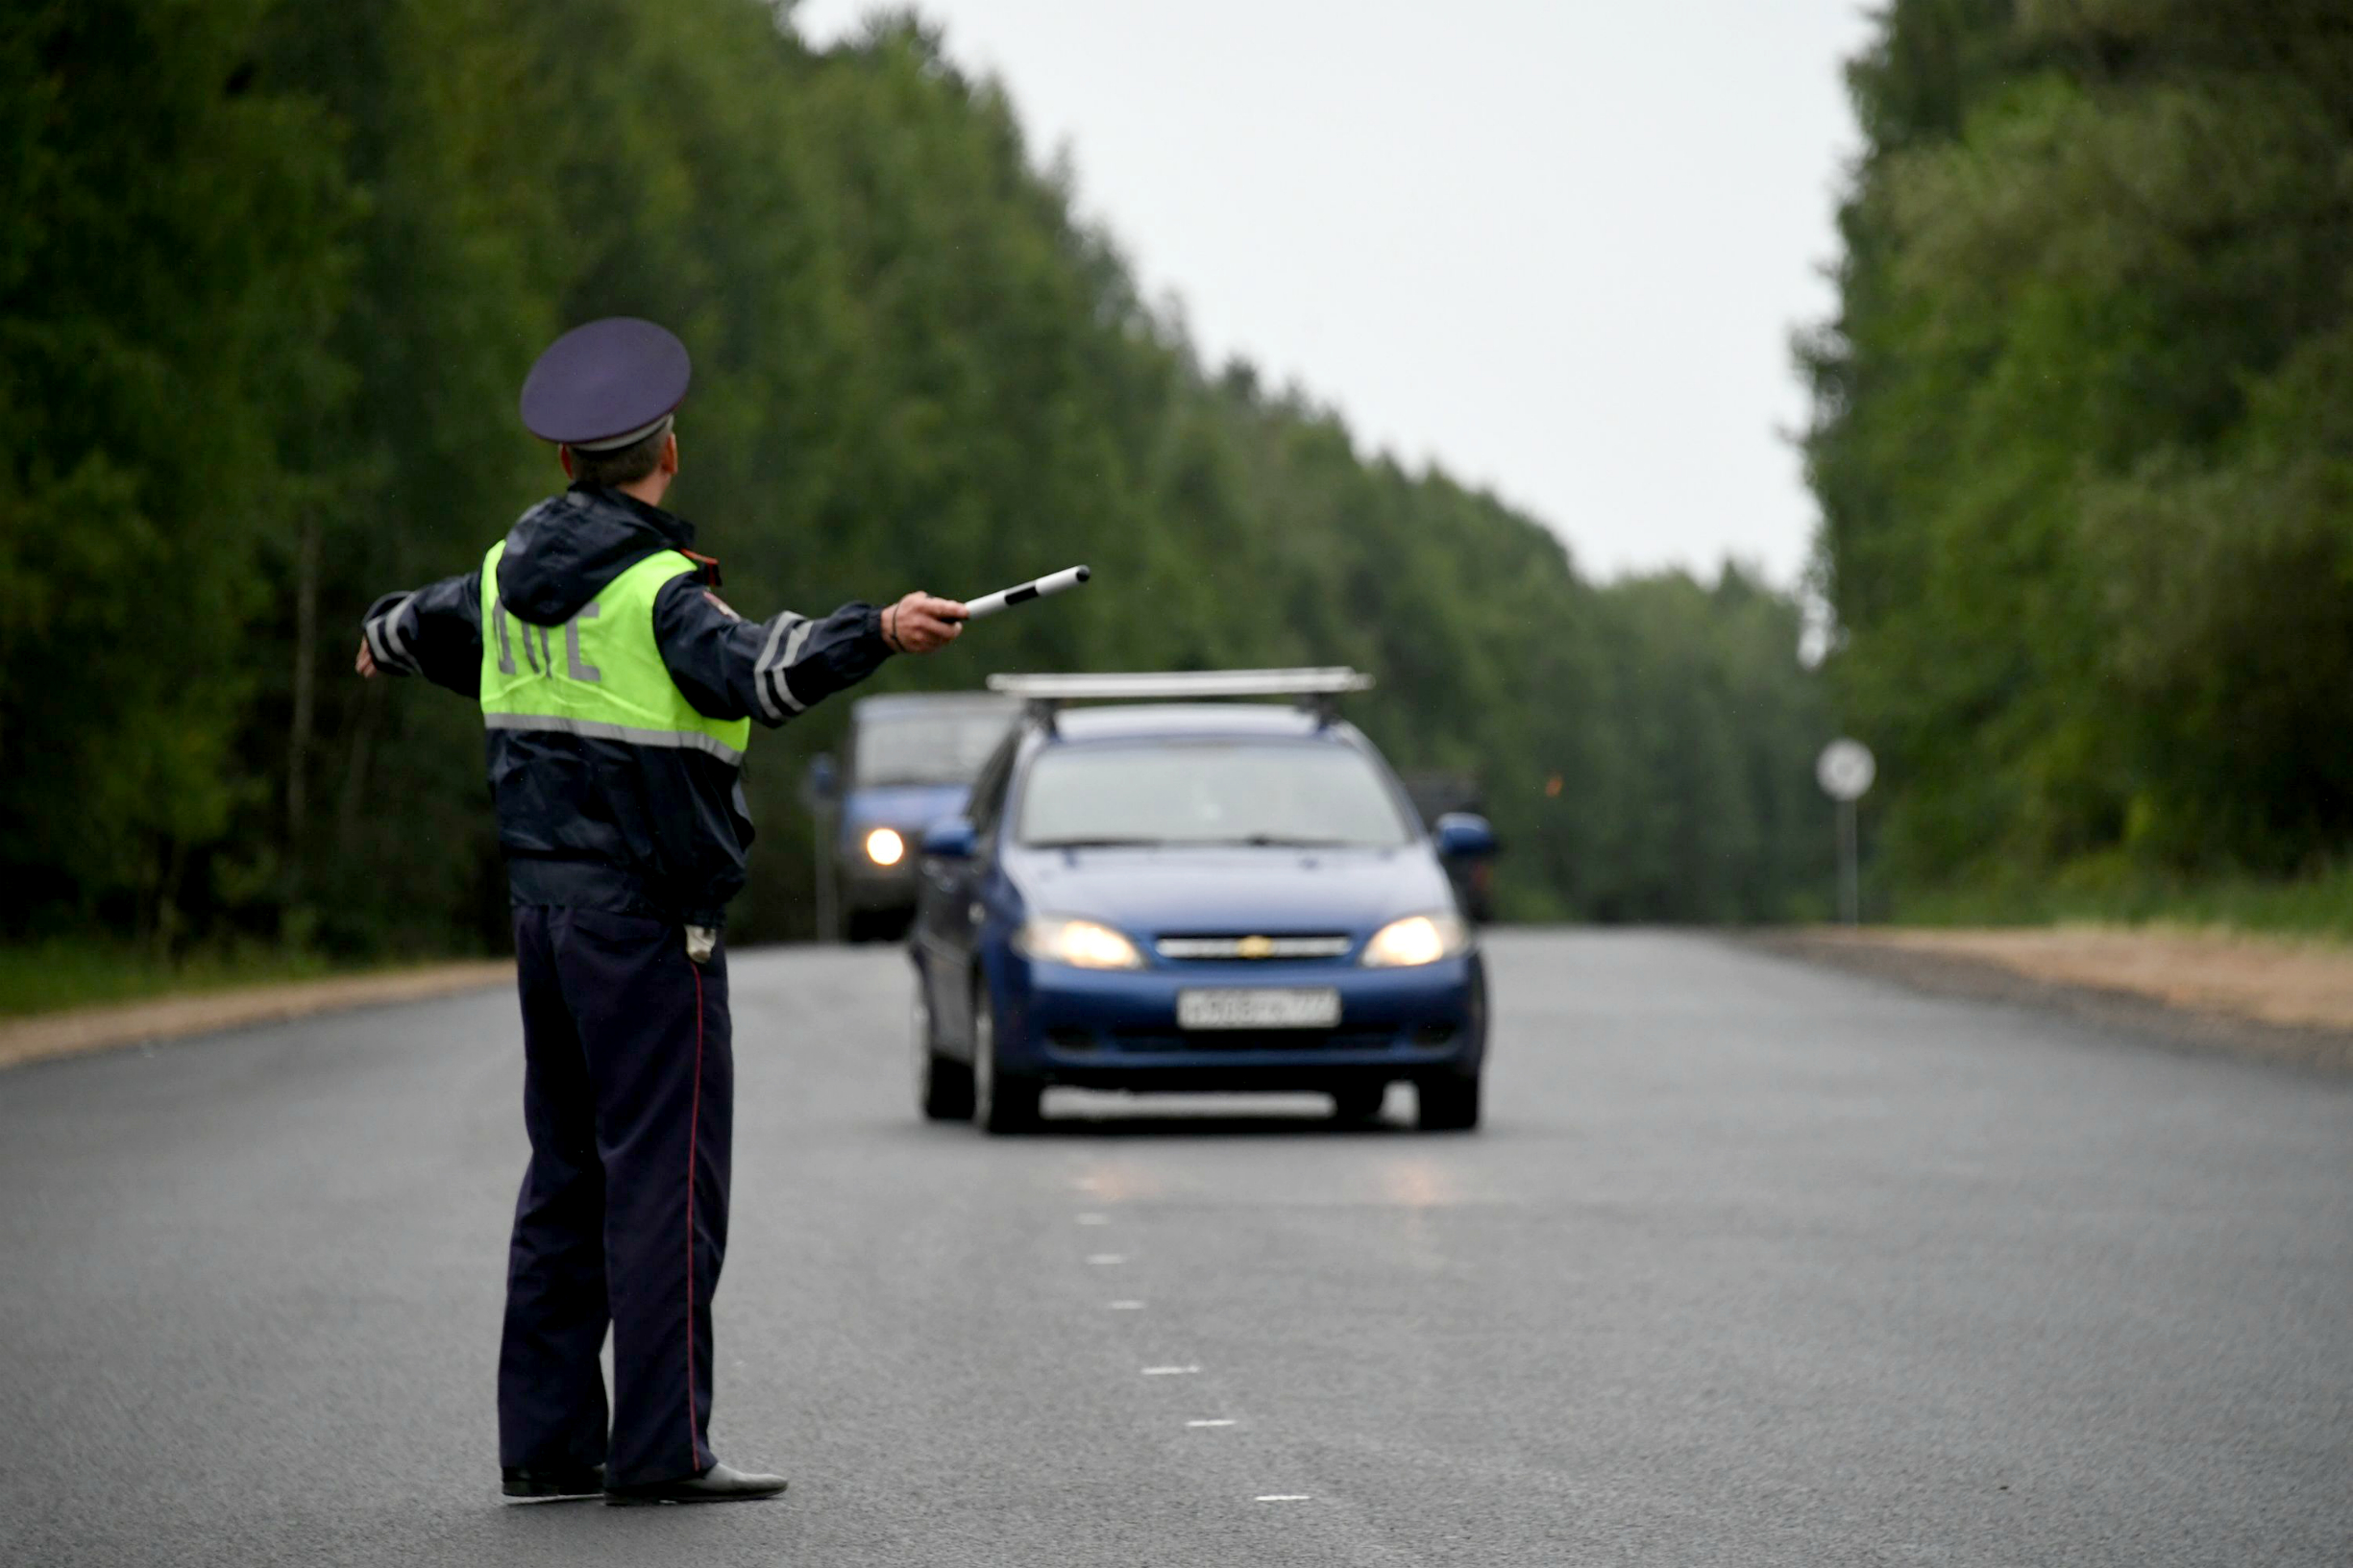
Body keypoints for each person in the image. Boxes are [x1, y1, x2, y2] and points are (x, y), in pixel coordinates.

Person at [355, 318, 965, 1506]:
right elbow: (767, 673)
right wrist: (882, 630)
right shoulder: (660, 595)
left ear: (564, 463)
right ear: (666, 453)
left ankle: (545, 1445)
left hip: (542, 921)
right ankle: (661, 1450)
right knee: (664, 1185)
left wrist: (376, 635)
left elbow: (407, 624)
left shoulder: (497, 577)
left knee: (564, 1177)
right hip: (650, 932)